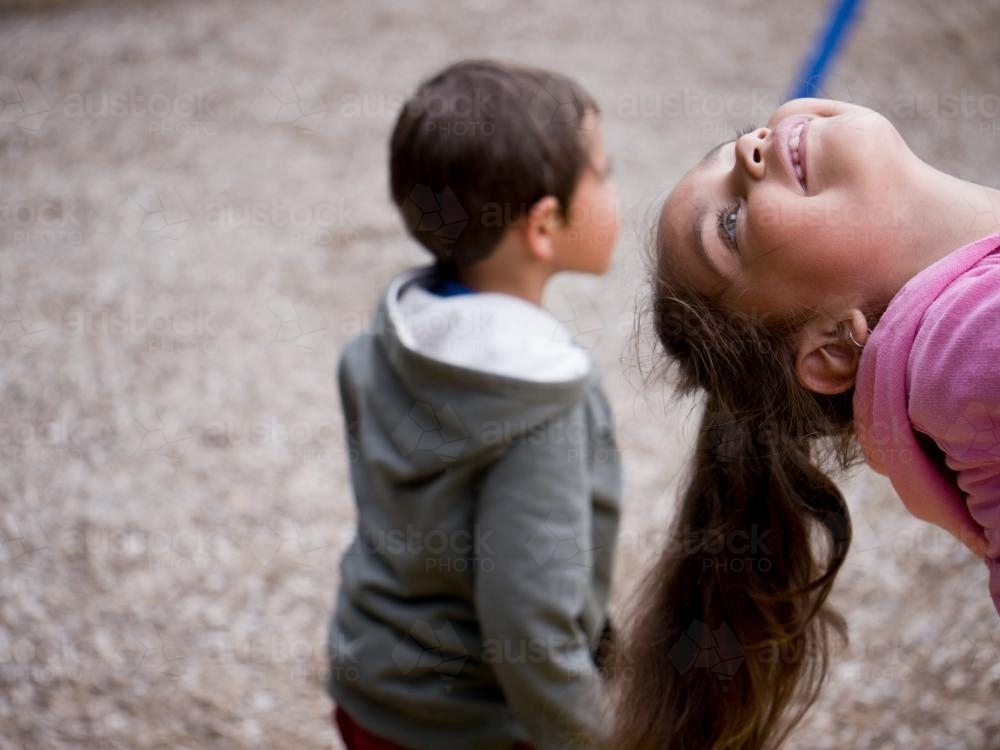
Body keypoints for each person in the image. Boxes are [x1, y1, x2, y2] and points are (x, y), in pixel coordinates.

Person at [614, 97, 1000, 750]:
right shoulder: (971, 345)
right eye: (730, 225)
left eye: (737, 140)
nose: (748, 149)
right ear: (833, 349)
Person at [328, 60, 623, 750]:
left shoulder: (387, 344)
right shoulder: (540, 407)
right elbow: (529, 625)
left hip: (369, 688)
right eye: (605, 173)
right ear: (544, 226)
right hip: (473, 726)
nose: (615, 190)